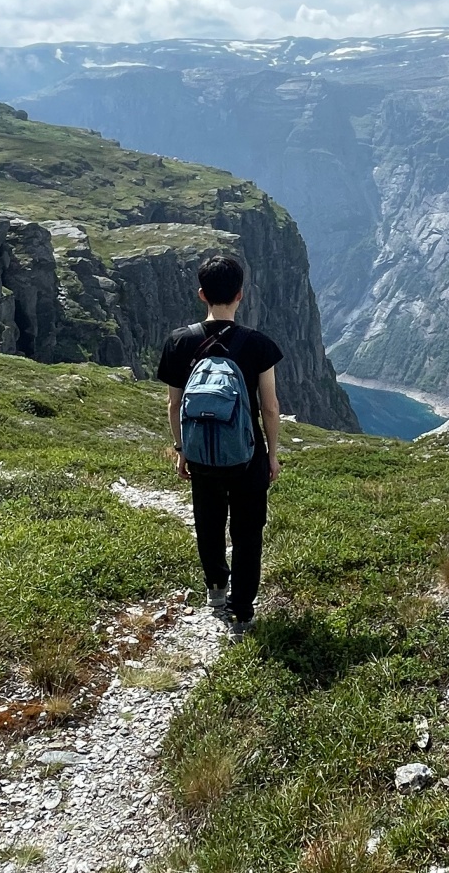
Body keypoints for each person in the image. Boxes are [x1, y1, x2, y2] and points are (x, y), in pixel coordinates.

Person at [156, 256, 282, 639]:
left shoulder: (180, 342)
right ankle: (242, 613)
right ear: (240, 295)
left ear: (201, 295)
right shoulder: (258, 345)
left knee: (208, 524)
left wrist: (181, 448)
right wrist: (271, 454)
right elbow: (271, 407)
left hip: (201, 454)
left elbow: (174, 404)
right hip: (247, 457)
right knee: (248, 533)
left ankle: (216, 590)